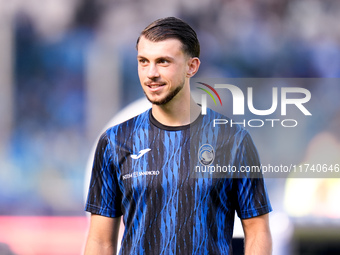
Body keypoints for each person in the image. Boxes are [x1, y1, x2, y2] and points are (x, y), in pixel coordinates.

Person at [84, 17, 272, 255]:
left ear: (191, 66)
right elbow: (100, 241)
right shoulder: (115, 141)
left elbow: (257, 229)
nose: (151, 73)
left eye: (163, 62)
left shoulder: (233, 140)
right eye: (143, 62)